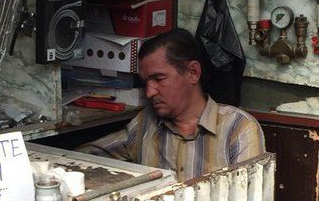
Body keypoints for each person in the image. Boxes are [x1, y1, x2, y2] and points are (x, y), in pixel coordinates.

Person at [78, 28, 265, 181]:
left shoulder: (238, 128)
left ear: (193, 72)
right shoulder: (145, 124)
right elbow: (83, 158)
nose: (149, 92)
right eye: (145, 82)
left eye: (159, 78)